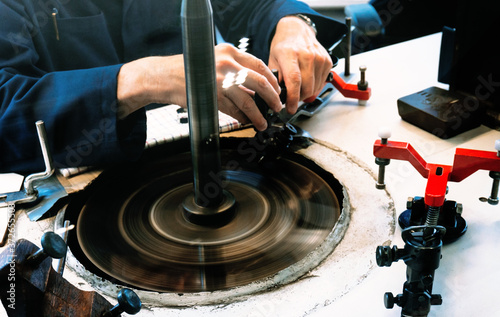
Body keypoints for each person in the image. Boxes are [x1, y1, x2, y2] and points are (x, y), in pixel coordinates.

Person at [0, 0, 346, 172]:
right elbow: (6, 107)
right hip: (83, 180)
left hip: (214, 158)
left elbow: (253, 6)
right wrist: (150, 78)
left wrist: (293, 23)